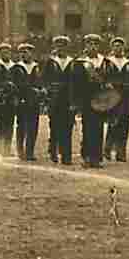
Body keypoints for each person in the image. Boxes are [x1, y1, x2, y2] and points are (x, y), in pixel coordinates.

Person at [70, 34, 111, 168]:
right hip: (86, 99)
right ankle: (87, 156)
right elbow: (75, 83)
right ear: (85, 46)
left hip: (101, 99)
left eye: (95, 44)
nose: (92, 47)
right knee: (87, 128)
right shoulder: (79, 62)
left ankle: (97, 158)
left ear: (98, 46)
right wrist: (76, 101)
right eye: (89, 44)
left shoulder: (104, 61)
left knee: (99, 128)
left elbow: (109, 78)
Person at [43, 36, 75, 165]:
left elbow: (76, 81)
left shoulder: (73, 62)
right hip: (54, 99)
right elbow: (45, 80)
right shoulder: (50, 62)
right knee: (55, 126)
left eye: (63, 45)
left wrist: (74, 101)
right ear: (55, 47)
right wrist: (48, 94)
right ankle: (53, 150)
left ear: (67, 47)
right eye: (58, 45)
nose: (61, 48)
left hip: (68, 99)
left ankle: (66, 155)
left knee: (68, 127)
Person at [11, 43, 45, 161]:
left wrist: (41, 90)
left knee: (33, 127)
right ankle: (20, 151)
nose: (24, 54)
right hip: (22, 100)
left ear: (32, 53)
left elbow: (41, 81)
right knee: (21, 126)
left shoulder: (37, 67)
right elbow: (14, 85)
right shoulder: (16, 68)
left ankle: (30, 152)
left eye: (26, 52)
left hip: (34, 101)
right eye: (22, 52)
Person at [104, 36, 129, 162]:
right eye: (115, 45)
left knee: (124, 123)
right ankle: (108, 148)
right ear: (112, 47)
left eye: (120, 45)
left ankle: (121, 151)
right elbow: (103, 76)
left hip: (125, 95)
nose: (118, 48)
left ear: (123, 47)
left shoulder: (128, 62)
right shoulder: (107, 61)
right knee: (113, 122)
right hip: (112, 94)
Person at [0, 44, 18, 157]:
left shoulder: (14, 67)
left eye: (7, 51)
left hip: (10, 100)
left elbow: (18, 83)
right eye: (3, 52)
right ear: (0, 53)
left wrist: (15, 95)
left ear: (10, 53)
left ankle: (7, 148)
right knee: (0, 124)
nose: (5, 53)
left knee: (10, 124)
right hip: (0, 99)